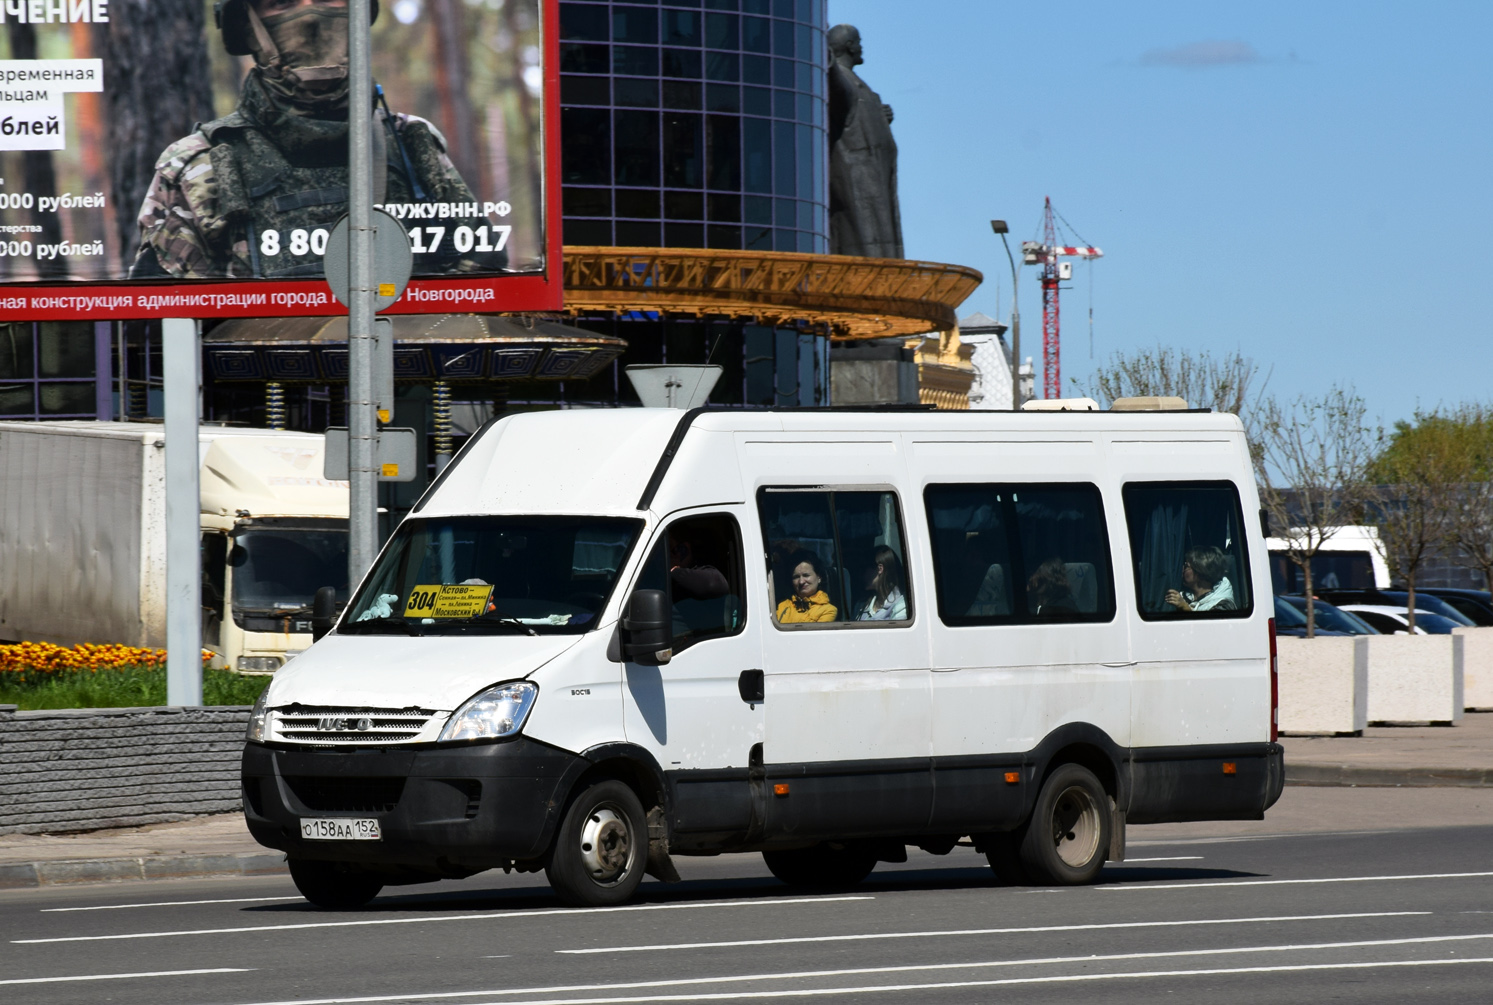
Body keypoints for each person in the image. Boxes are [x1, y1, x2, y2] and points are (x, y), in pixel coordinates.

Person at [130, 0, 498, 279]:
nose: (309, 18)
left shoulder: (411, 145)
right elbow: (165, 333)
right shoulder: (198, 165)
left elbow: (483, 284)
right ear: (246, 26)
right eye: (281, 0)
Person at [827, 24, 903, 258]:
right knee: (866, 246)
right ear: (849, 46)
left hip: (873, 182)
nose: (861, 48)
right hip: (857, 183)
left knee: (881, 245)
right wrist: (822, 52)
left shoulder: (859, 85)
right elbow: (834, 83)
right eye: (858, 42)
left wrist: (879, 117)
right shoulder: (843, 80)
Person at [1165, 546, 1237, 612]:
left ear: (1200, 572)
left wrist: (1184, 607)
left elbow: (1210, 625)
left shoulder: (1224, 604)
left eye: (1186, 566)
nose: (1182, 569)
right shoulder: (1184, 596)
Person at [775, 551, 838, 624]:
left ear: (819, 577)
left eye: (806, 575)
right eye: (796, 577)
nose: (801, 581)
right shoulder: (782, 606)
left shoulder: (828, 610)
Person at [668, 536, 729, 601]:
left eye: (673, 550)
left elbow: (713, 584)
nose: (670, 555)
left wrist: (674, 571)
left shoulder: (702, 574)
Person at [857, 545, 908, 621]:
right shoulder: (862, 604)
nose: (862, 574)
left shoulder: (901, 605)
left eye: (864, 569)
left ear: (879, 569)